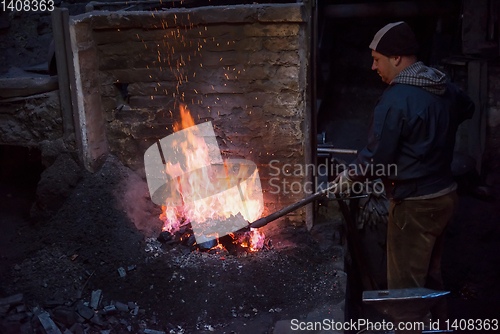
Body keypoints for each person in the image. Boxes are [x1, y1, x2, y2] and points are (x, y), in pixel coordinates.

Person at [335, 21, 475, 329]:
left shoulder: (395, 99)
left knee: (405, 293)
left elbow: (376, 157)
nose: (373, 66)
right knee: (430, 275)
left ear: (396, 58)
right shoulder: (441, 85)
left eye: (377, 59)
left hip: (414, 204)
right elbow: (468, 107)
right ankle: (438, 325)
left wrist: (350, 177)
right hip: (445, 196)